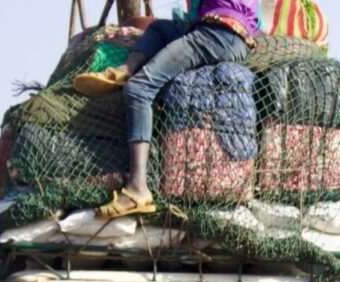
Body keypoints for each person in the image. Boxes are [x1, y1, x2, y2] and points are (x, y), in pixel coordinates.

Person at [73, 0, 260, 218]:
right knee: (159, 29)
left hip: (218, 35)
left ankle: (138, 189)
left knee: (138, 89)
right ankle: (125, 69)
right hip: (227, 33)